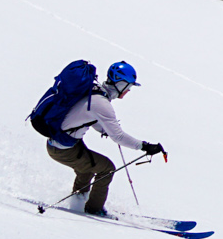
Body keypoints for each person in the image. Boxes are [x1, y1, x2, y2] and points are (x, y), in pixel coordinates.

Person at [49, 61, 165, 215]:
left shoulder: (95, 92)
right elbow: (119, 137)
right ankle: (93, 210)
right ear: (121, 83)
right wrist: (145, 146)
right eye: (128, 86)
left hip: (62, 143)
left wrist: (106, 128)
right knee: (107, 168)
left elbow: (89, 118)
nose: (128, 90)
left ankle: (78, 202)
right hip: (63, 148)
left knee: (88, 168)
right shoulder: (101, 103)